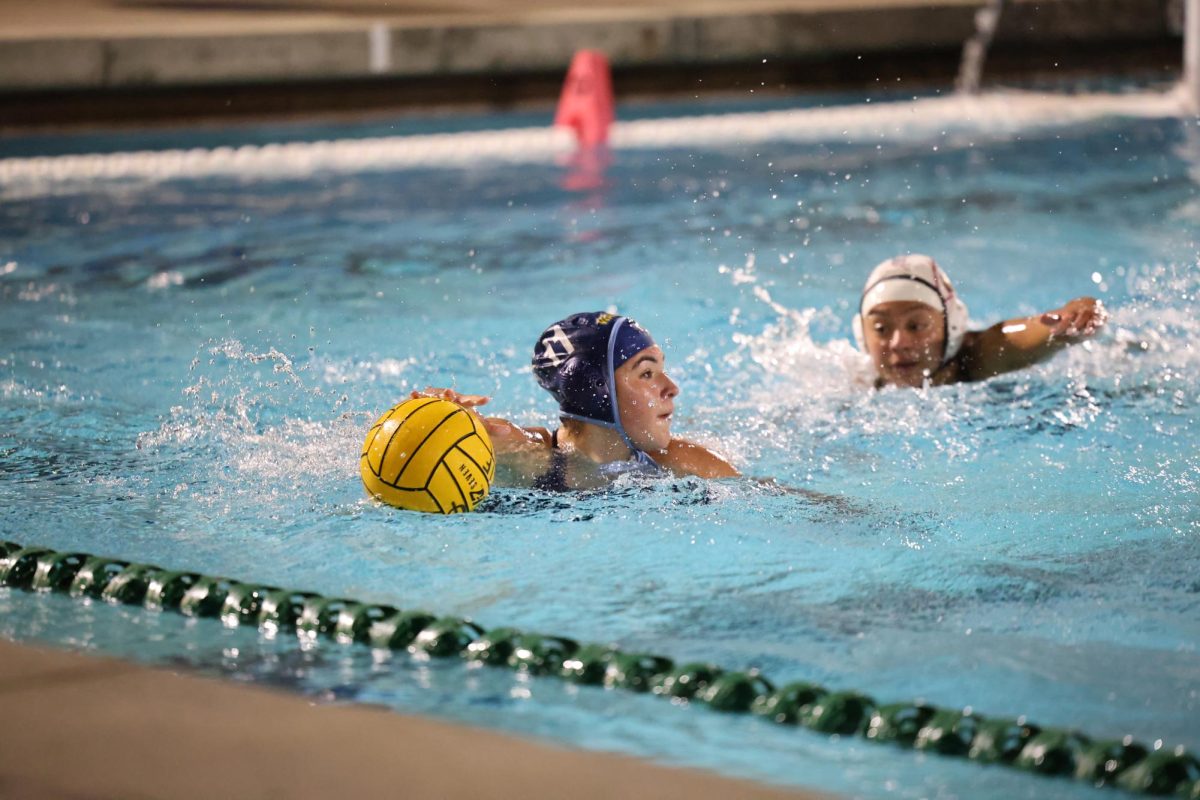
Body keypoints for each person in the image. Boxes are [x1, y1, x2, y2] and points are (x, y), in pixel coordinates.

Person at [414, 311, 739, 490]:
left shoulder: (686, 463)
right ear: (595, 390)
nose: (672, 388)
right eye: (646, 374)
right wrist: (437, 414)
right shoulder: (527, 455)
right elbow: (424, 439)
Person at [852, 254, 1106, 389]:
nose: (899, 343)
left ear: (952, 326)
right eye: (881, 328)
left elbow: (1035, 330)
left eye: (916, 325)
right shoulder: (857, 381)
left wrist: (1076, 315)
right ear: (862, 335)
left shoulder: (982, 354)